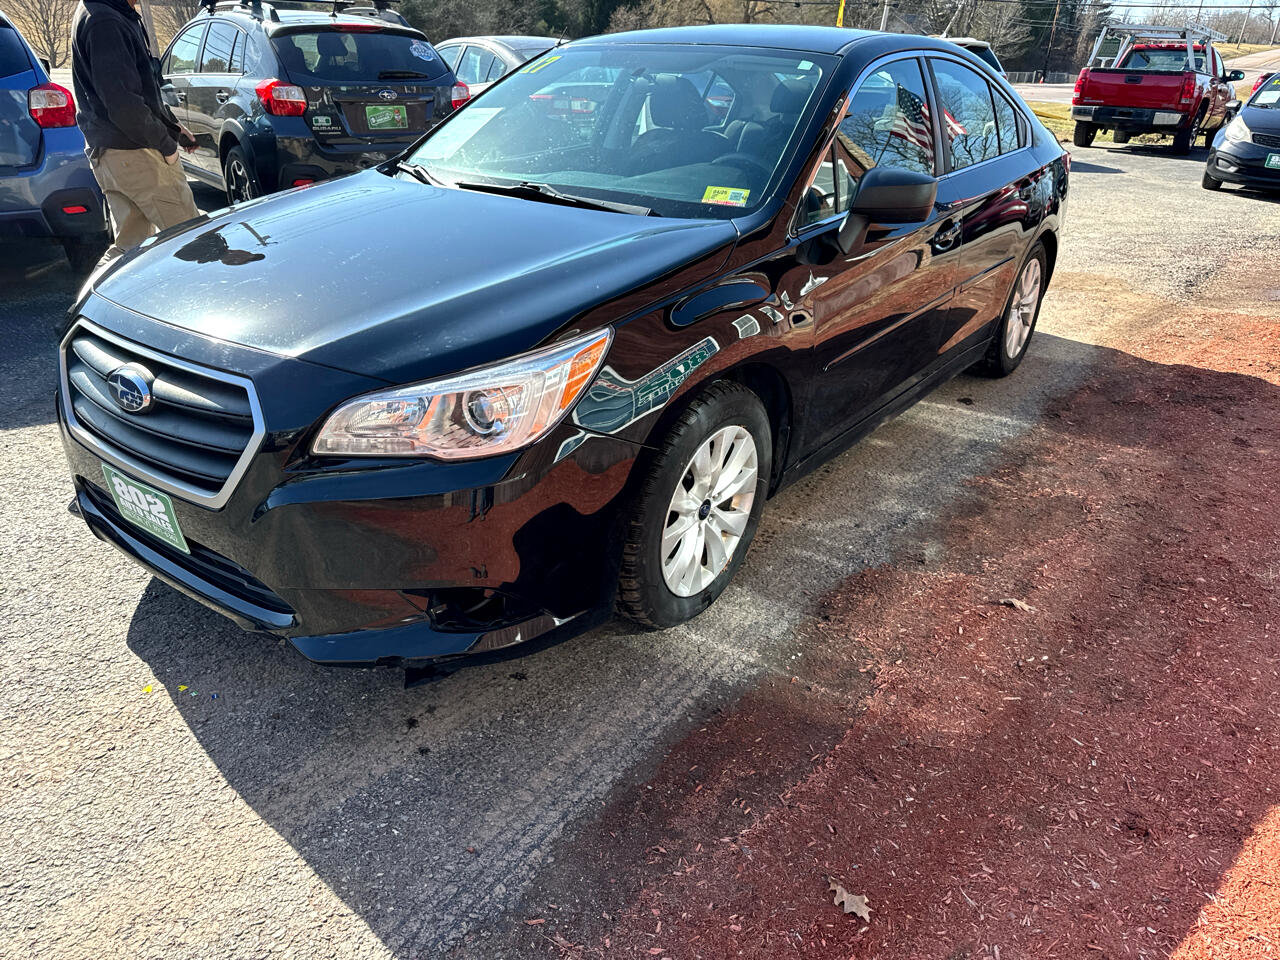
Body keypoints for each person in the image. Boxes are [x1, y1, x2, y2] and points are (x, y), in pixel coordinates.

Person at [70, 0, 200, 266]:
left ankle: (92, 305)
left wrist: (171, 126)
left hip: (113, 153)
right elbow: (123, 104)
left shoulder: (107, 12)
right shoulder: (105, 22)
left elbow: (138, 88)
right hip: (135, 153)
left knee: (130, 250)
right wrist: (166, 145)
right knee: (193, 242)